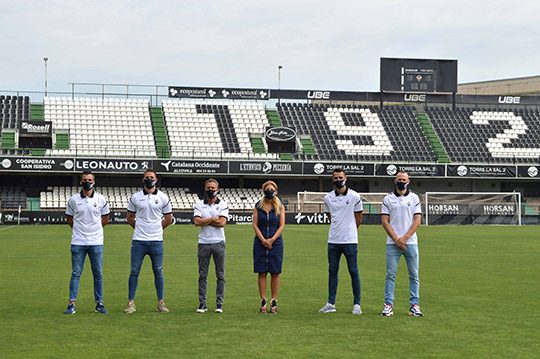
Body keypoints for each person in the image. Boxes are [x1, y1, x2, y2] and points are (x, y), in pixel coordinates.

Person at [125, 169, 172, 314]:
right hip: (138, 241)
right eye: (147, 177)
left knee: (158, 271)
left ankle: (161, 302)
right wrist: (139, 228)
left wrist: (157, 229)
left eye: (151, 177)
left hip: (156, 241)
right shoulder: (136, 197)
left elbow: (168, 218)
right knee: (134, 271)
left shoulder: (163, 197)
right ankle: (131, 303)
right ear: (142, 179)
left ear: (156, 179)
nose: (149, 179)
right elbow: (129, 217)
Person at [64, 170, 110, 314]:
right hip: (78, 242)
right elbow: (69, 219)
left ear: (94, 182)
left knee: (98, 273)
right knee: (76, 273)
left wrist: (94, 231)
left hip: (96, 242)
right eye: (85, 180)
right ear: (81, 182)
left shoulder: (101, 199)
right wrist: (80, 230)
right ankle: (72, 303)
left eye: (90, 180)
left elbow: (105, 219)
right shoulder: (73, 200)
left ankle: (99, 303)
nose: (87, 182)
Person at [319, 168, 363, 315]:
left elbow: (358, 218)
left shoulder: (355, 196)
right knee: (332, 271)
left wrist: (349, 230)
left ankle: (357, 304)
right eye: (335, 178)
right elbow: (330, 217)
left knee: (353, 271)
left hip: (350, 240)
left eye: (340, 177)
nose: (338, 180)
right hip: (333, 240)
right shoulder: (327, 198)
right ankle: (331, 303)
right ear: (333, 180)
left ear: (346, 178)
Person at [381, 171, 423, 317]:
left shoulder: (414, 198)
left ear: (408, 181)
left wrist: (405, 238)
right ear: (395, 180)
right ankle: (388, 305)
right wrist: (396, 239)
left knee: (414, 275)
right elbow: (385, 221)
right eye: (399, 179)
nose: (401, 181)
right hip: (392, 244)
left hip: (410, 242)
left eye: (404, 179)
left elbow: (417, 220)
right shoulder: (388, 199)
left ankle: (414, 305)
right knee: (390, 275)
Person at [193, 178, 229, 313]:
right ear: (205, 189)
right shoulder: (199, 204)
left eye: (213, 188)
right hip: (203, 243)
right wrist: (213, 218)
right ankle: (202, 303)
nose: (211, 190)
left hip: (219, 242)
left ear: (218, 190)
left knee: (220, 275)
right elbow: (196, 222)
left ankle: (219, 304)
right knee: (202, 275)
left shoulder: (223, 204)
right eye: (208, 188)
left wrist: (205, 221)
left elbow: (222, 223)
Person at [252, 180, 285, 313]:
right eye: (267, 189)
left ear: (276, 191)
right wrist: (263, 240)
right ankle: (263, 301)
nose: (270, 191)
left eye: (272, 189)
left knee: (275, 272)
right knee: (262, 272)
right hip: (260, 242)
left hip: (276, 242)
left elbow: (281, 225)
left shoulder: (280, 206)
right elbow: (255, 224)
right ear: (263, 191)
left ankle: (274, 301)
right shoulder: (258, 206)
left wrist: (271, 240)